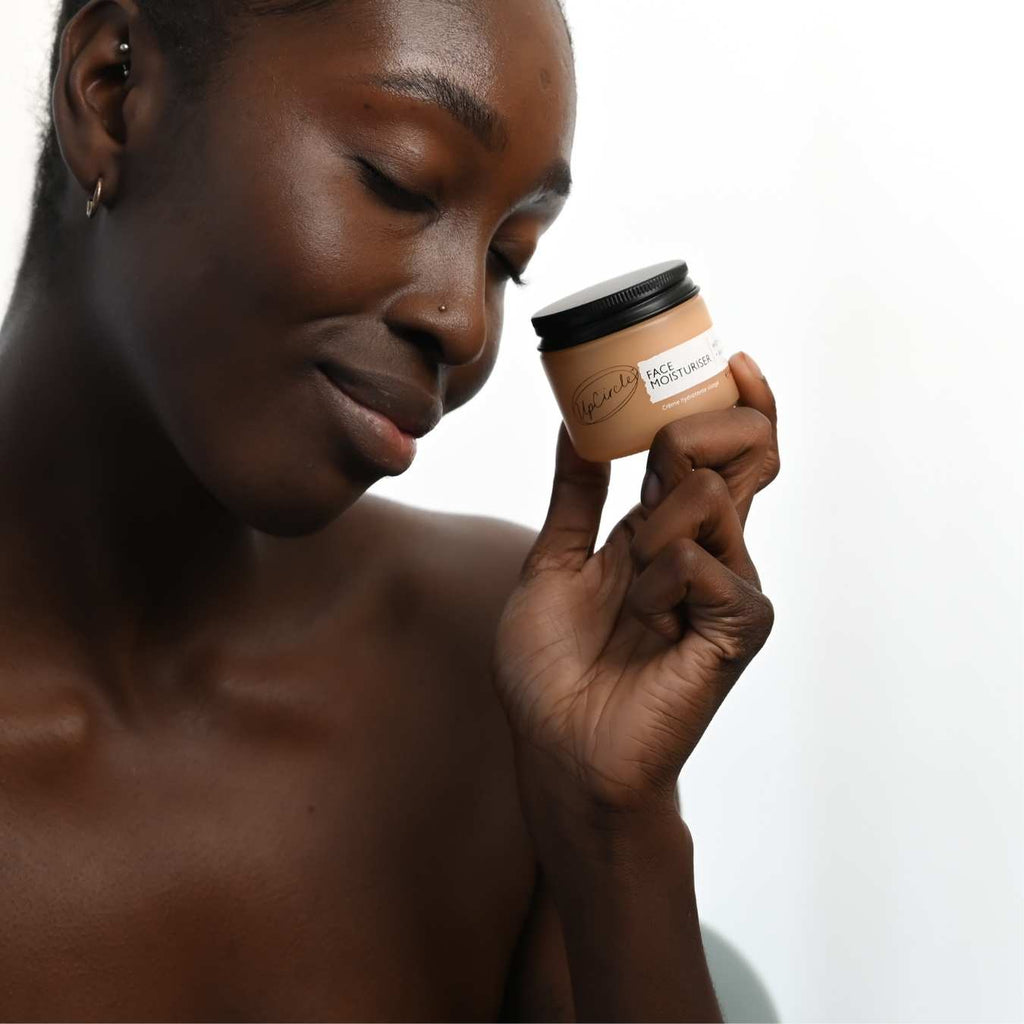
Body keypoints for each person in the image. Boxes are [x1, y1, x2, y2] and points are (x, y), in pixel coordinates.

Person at [0, 0, 781, 1019]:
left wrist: (610, 823)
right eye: (398, 181)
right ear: (112, 91)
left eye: (509, 256)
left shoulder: (505, 669)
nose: (464, 321)